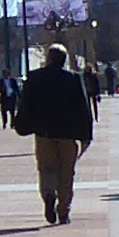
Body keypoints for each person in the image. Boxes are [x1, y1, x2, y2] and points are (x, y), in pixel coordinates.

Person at [13, 38, 98, 224]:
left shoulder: (34, 78)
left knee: (46, 169)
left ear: (48, 59)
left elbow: (25, 105)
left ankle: (49, 194)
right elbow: (83, 108)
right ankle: (63, 210)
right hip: (68, 134)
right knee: (67, 173)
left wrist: (23, 124)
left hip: (43, 132)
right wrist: (86, 135)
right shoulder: (73, 79)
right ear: (64, 60)